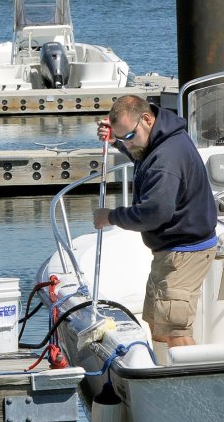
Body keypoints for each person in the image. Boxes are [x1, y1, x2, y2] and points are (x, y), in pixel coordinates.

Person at [93, 95, 217, 363]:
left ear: (147, 119)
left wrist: (111, 216)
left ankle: (195, 393)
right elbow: (141, 150)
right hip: (170, 251)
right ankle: (165, 378)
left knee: (175, 330)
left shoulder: (166, 158)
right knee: (158, 323)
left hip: (183, 254)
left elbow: (155, 214)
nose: (127, 142)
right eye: (123, 137)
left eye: (129, 135)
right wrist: (116, 140)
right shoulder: (159, 137)